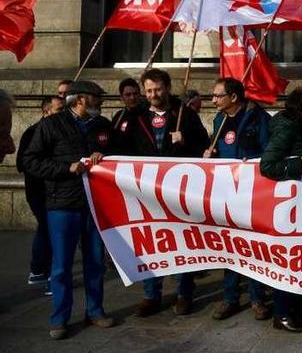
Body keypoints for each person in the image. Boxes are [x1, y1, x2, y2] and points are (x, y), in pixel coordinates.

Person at [20, 81, 115, 340]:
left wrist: (103, 155)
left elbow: (117, 155)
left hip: (95, 205)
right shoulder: (50, 125)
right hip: (62, 205)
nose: (101, 102)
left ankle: (95, 311)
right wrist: (66, 169)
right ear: (81, 100)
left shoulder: (103, 126)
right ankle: (59, 318)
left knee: (95, 262)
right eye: (96, 97)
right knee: (61, 266)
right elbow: (30, 161)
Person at [118, 68, 210, 317]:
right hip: (144, 190)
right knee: (149, 242)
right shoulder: (134, 116)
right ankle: (151, 294)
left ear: (167, 88)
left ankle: (184, 293)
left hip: (178, 190)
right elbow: (119, 147)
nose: (153, 94)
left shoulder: (185, 114)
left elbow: (204, 145)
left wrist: (185, 141)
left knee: (183, 241)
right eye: (148, 90)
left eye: (157, 89)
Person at [204, 78, 272, 322]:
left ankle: (257, 298)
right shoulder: (220, 120)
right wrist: (209, 155)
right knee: (230, 246)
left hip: (252, 193)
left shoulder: (258, 117)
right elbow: (219, 151)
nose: (213, 100)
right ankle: (230, 298)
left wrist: (251, 162)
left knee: (253, 247)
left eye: (217, 96)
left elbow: (268, 151)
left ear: (233, 97)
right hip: (226, 193)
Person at [260, 89, 302, 333]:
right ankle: (282, 312)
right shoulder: (286, 129)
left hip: (299, 202)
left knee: (297, 259)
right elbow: (268, 165)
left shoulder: (295, 127)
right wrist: (299, 164)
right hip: (287, 205)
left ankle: (294, 306)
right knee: (288, 259)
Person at [18, 95, 64, 291]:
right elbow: (23, 164)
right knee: (50, 231)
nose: (63, 114)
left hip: (56, 192)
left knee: (46, 230)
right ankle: (49, 276)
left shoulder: (61, 131)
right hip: (40, 193)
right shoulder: (32, 133)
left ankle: (39, 272)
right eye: (59, 110)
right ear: (46, 111)